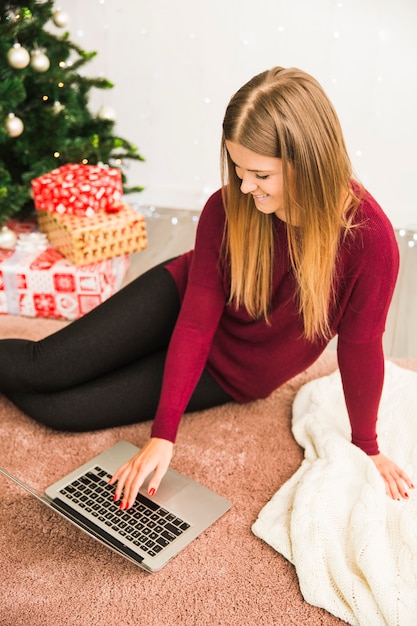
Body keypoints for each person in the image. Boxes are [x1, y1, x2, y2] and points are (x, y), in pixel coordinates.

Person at [0, 67, 413, 510]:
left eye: (259, 174)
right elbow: (196, 322)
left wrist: (366, 444)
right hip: (180, 297)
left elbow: (361, 346)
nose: (243, 186)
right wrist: (164, 434)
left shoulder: (370, 241)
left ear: (306, 163)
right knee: (44, 365)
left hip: (235, 371)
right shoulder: (230, 205)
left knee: (61, 412)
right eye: (238, 170)